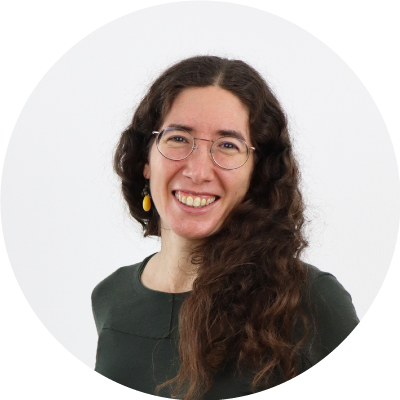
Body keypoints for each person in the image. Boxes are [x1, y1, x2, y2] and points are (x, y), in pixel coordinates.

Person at [91, 56, 359, 399]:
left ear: (256, 173)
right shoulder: (111, 297)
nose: (198, 171)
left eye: (228, 145)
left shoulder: (309, 301)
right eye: (178, 138)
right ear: (146, 159)